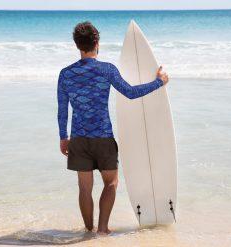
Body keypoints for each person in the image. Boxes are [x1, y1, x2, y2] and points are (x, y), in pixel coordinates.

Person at [57, 21, 169, 235]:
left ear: (77, 45)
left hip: (79, 139)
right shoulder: (106, 69)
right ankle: (102, 229)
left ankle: (87, 231)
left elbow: (63, 110)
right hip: (103, 139)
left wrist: (64, 137)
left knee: (84, 188)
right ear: (97, 43)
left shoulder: (65, 74)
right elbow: (130, 92)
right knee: (111, 183)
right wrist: (158, 82)